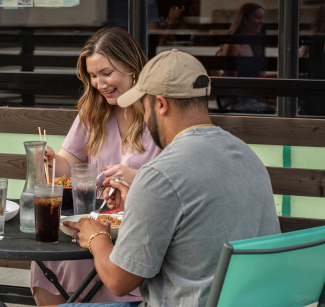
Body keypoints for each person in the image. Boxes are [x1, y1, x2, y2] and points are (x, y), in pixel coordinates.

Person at [54, 49, 280, 307]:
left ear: (160, 105)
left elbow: (118, 282)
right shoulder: (247, 154)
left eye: (143, 104)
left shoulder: (161, 174)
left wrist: (96, 236)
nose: (144, 116)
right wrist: (139, 202)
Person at [31, 26, 161, 305]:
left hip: (140, 226)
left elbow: (178, 177)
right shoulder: (93, 110)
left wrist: (138, 177)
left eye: (106, 73)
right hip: (97, 221)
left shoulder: (158, 113)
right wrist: (53, 162)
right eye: (92, 75)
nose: (99, 83)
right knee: (46, 254)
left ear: (132, 67)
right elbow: (70, 165)